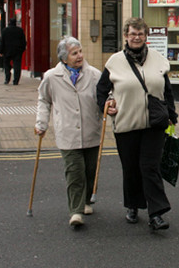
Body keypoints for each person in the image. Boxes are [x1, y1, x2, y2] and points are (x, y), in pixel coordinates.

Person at [97, 17, 178, 231]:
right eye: (133, 34)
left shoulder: (158, 60)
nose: (136, 37)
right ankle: (133, 205)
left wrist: (172, 115)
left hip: (154, 123)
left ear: (146, 36)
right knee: (131, 168)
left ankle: (156, 214)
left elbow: (166, 90)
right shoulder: (114, 62)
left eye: (141, 34)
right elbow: (101, 90)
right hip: (126, 123)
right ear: (126, 36)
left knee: (150, 167)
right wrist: (106, 105)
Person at [35, 37, 103, 227]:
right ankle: (75, 211)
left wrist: (111, 109)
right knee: (74, 173)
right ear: (64, 59)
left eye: (80, 51)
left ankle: (87, 200)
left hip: (91, 131)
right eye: (74, 53)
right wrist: (41, 123)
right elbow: (44, 100)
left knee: (90, 171)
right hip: (67, 133)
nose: (80, 55)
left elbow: (105, 98)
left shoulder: (95, 75)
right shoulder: (51, 77)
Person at [0, 18, 27, 85]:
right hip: (17, 51)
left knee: (6, 65)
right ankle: (16, 80)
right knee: (17, 66)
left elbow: (2, 42)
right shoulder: (20, 30)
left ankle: (7, 79)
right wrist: (22, 50)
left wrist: (1, 51)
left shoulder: (5, 30)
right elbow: (23, 42)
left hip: (7, 51)